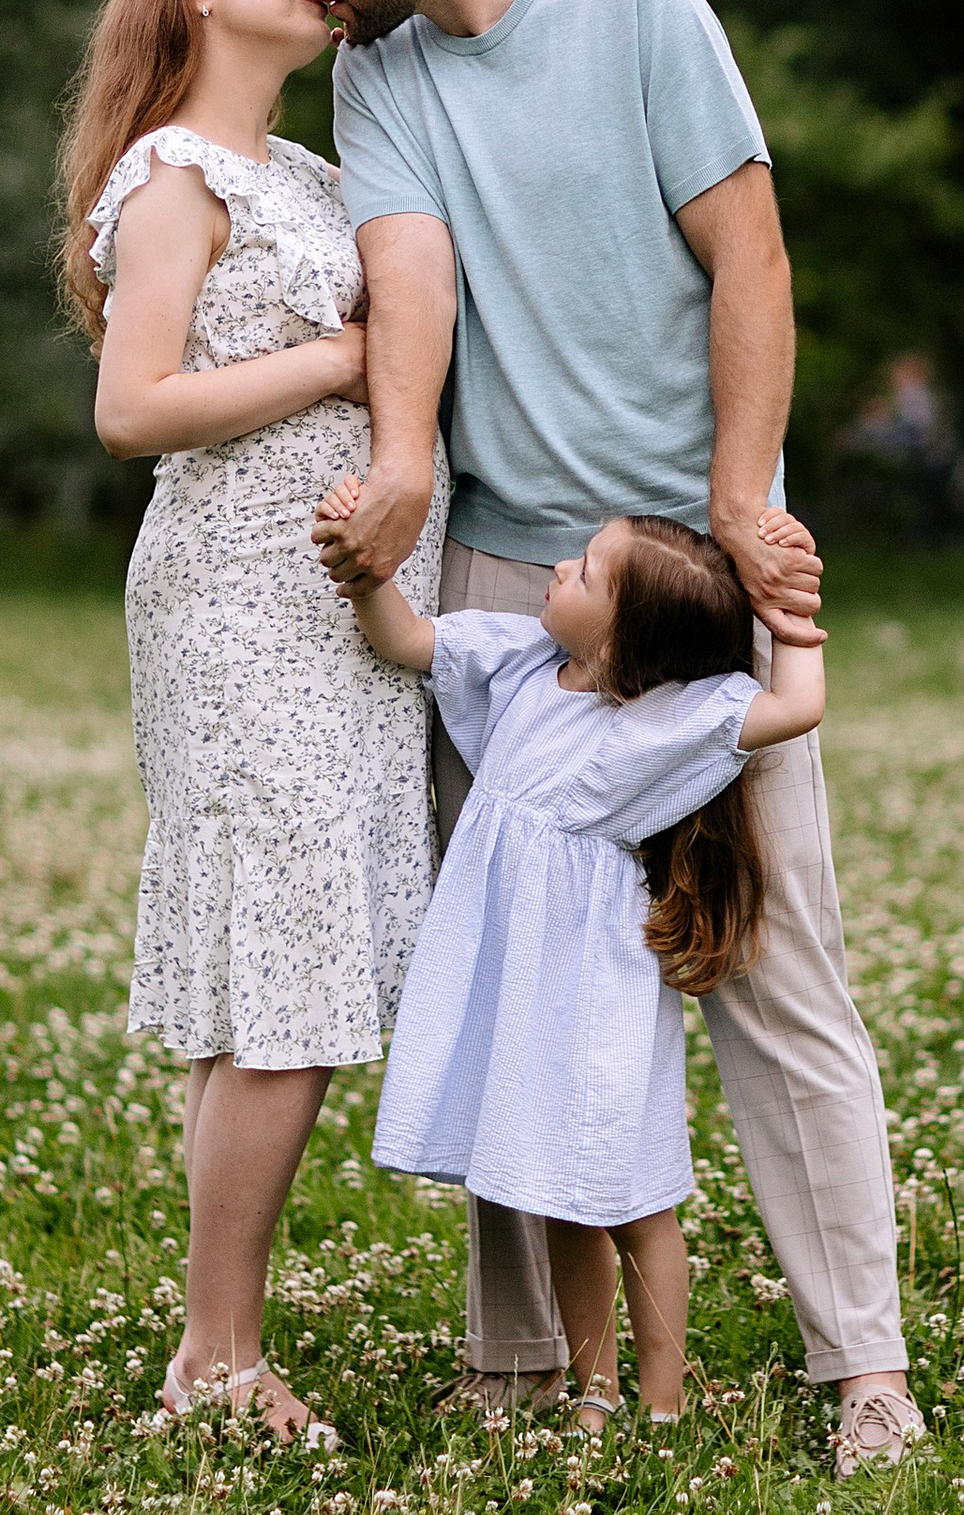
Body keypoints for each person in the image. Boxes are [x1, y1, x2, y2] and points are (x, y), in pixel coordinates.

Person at [277, 0, 927, 1474]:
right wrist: (408, 463)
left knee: (769, 964)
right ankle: (526, 1366)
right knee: (514, 959)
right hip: (504, 578)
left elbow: (754, 262)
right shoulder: (380, 75)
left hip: (692, 575)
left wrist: (737, 504)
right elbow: (410, 276)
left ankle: (864, 1367)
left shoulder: (642, 10)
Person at [59, 0, 449, 1449]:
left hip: (334, 607)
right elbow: (131, 406)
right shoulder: (173, 174)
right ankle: (216, 1354)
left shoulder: (309, 170)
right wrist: (344, 364)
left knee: (272, 978)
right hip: (234, 593)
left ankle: (214, 1341)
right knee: (279, 980)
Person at [320, 487, 826, 1431]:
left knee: (636, 1201)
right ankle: (593, 1393)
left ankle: (663, 1403)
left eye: (587, 570)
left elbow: (799, 705)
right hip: (519, 994)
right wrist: (365, 574)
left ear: (628, 634)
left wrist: (788, 606)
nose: (561, 568)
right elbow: (410, 641)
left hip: (597, 998)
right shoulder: (521, 663)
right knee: (559, 1198)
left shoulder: (669, 720)